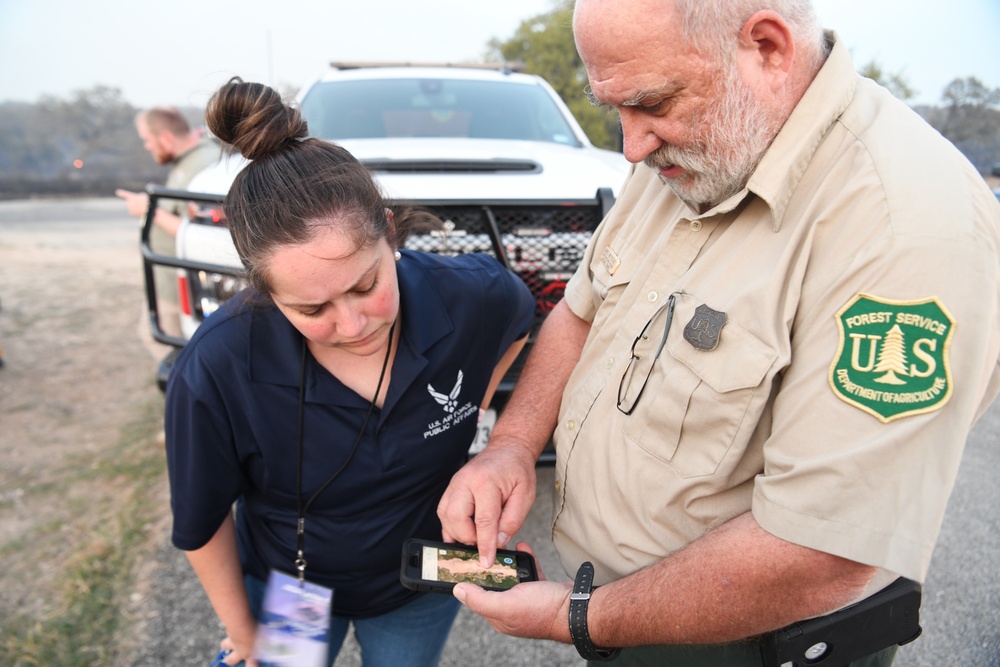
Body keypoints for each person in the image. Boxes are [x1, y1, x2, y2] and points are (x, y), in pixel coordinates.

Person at [437, 1, 1000, 665]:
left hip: (745, 643)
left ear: (767, 48)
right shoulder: (695, 146)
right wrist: (509, 445)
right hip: (619, 614)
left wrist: (578, 617)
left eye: (652, 102)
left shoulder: (903, 232)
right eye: (614, 109)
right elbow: (581, 312)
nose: (631, 145)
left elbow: (821, 555)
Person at [164, 78, 535, 667]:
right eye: (312, 310)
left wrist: (482, 423)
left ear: (388, 232)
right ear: (265, 290)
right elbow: (201, 522)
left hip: (420, 582)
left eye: (366, 285)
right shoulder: (218, 365)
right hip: (295, 592)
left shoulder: (471, 296)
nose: (354, 322)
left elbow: (519, 324)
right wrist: (245, 632)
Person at [116, 106, 221, 337]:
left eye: (147, 139)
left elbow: (206, 236)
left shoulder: (201, 166)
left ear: (165, 137)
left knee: (164, 345)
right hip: (173, 282)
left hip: (184, 290)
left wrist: (149, 210)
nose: (147, 146)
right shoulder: (191, 161)